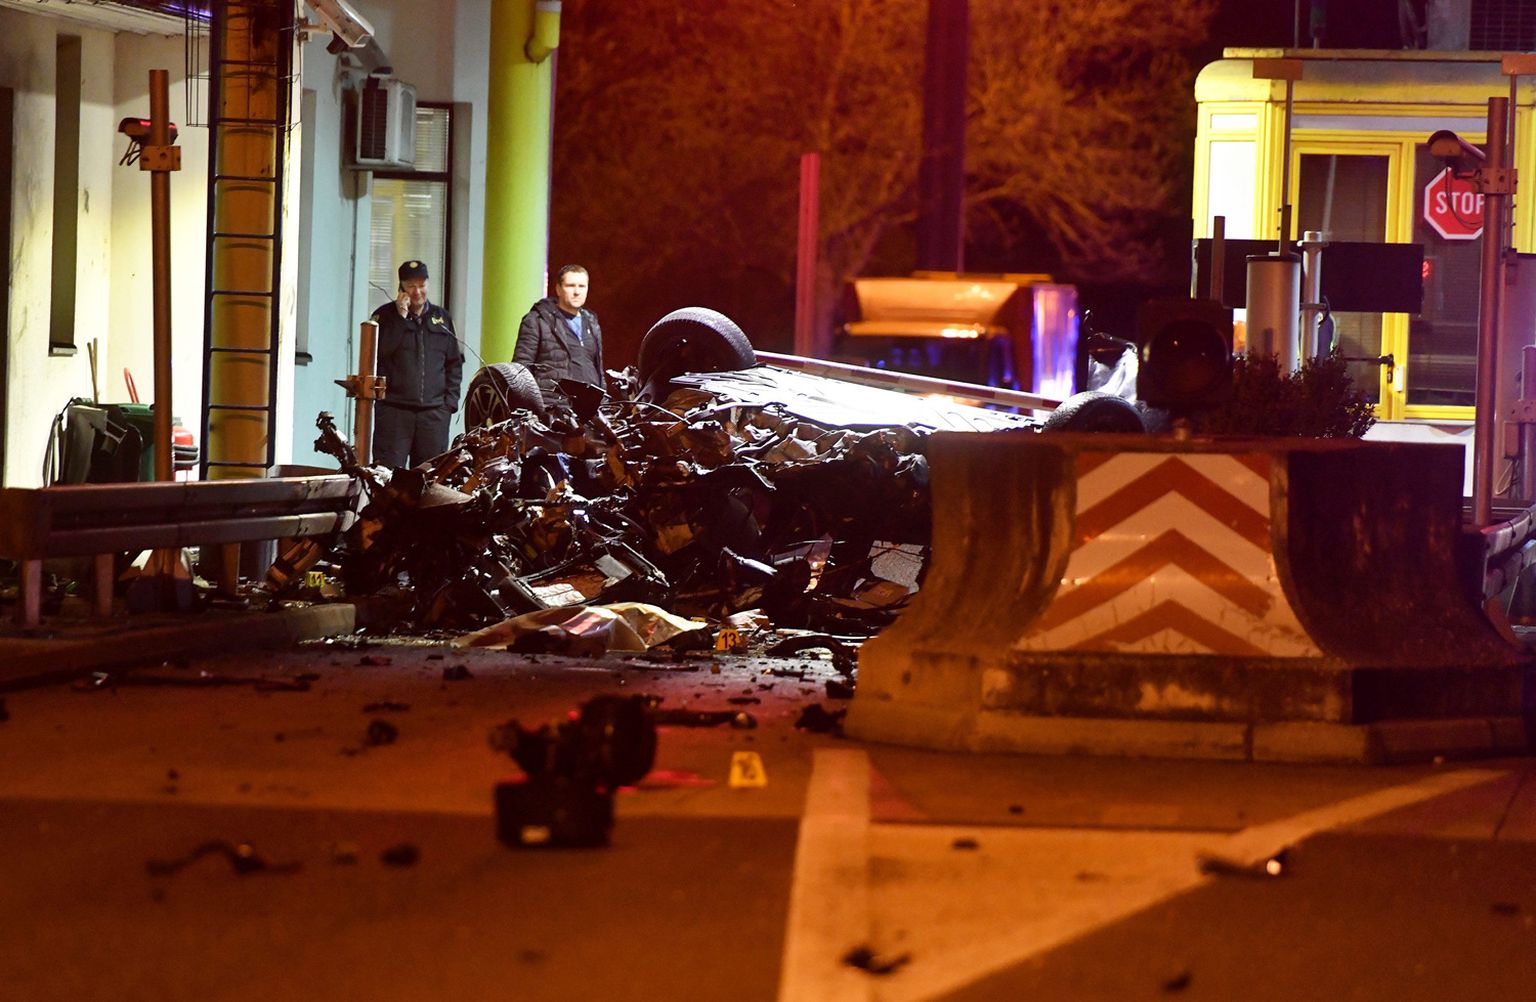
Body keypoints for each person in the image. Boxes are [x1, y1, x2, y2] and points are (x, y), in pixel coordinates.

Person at [371, 259, 464, 468]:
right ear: (401, 288)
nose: (417, 292)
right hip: (394, 412)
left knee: (429, 477)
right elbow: (380, 354)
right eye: (411, 286)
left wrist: (449, 404)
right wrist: (401, 318)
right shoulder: (384, 316)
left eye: (422, 285)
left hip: (434, 415)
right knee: (387, 474)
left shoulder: (442, 318)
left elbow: (454, 364)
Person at [513, 264, 604, 406]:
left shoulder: (592, 323)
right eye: (570, 286)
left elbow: (598, 369)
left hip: (589, 407)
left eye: (582, 286)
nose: (577, 292)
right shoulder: (537, 320)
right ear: (558, 289)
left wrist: (603, 402)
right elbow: (521, 369)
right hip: (552, 405)